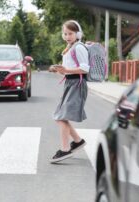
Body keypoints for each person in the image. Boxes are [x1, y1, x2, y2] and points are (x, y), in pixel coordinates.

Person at [49, 20, 89, 163]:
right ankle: (77, 141)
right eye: (65, 33)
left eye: (70, 33)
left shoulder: (79, 47)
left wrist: (66, 70)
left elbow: (85, 69)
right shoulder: (69, 48)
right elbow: (68, 71)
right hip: (69, 83)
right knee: (60, 116)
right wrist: (59, 70)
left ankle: (65, 150)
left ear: (77, 34)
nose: (67, 36)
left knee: (61, 117)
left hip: (77, 85)